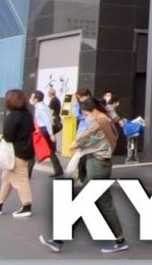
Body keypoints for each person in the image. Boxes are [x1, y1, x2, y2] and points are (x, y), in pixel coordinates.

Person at [39, 98, 128, 253]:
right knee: (104, 204)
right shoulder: (106, 120)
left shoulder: (99, 122)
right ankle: (120, 240)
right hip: (102, 165)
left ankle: (58, 240)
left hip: (97, 166)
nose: (87, 117)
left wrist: (76, 144)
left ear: (93, 110)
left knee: (83, 202)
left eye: (86, 114)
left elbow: (84, 139)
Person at [0, 89, 35, 217]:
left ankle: (26, 206)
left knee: (21, 179)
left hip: (16, 152)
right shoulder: (27, 114)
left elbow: (8, 136)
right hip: (25, 149)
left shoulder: (12, 116)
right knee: (6, 178)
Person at [31, 90, 64, 177]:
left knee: (37, 149)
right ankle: (59, 170)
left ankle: (28, 171)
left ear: (36, 99)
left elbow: (47, 121)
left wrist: (51, 134)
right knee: (50, 151)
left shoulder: (40, 108)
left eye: (32, 97)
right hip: (44, 129)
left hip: (44, 130)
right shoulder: (43, 106)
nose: (30, 99)